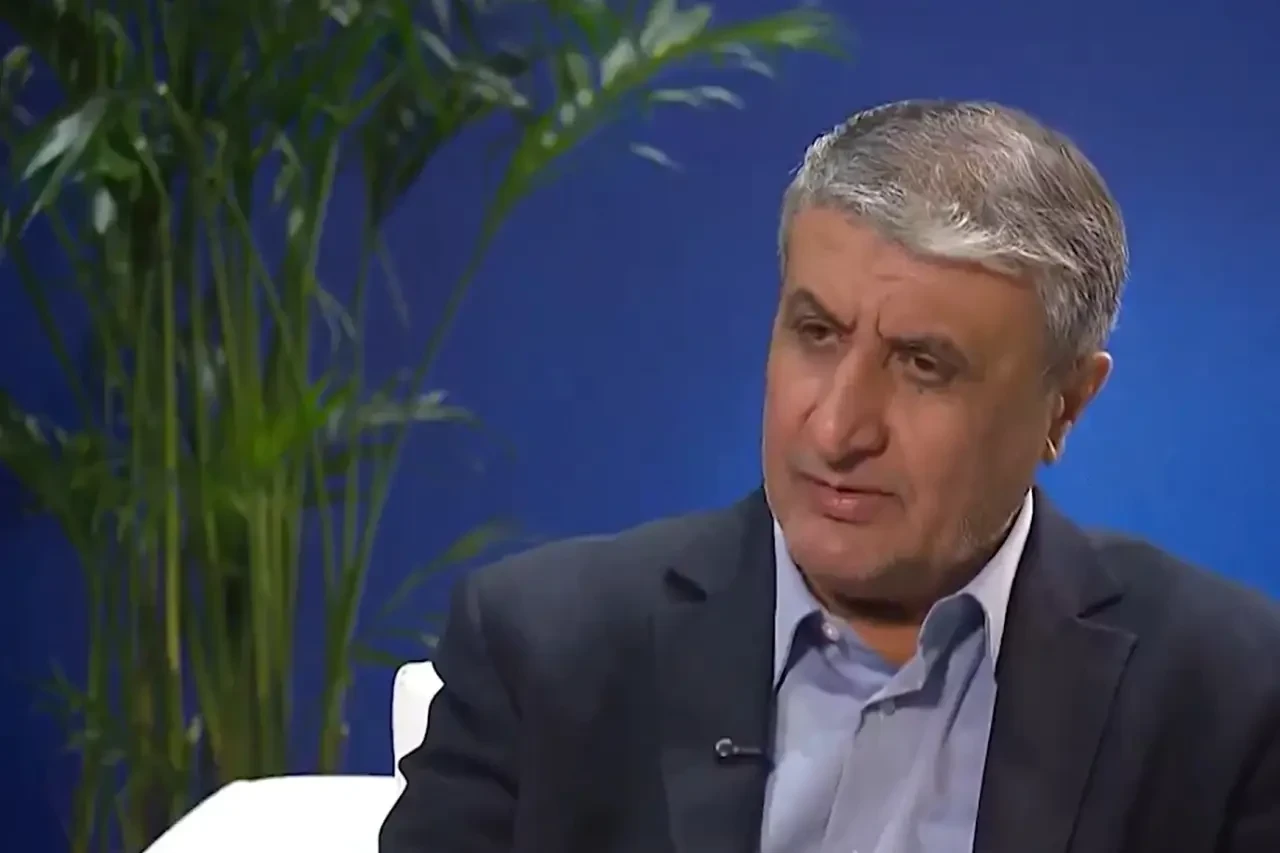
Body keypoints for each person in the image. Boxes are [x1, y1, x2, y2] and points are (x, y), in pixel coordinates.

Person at [379, 100, 1280, 853]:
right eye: (816, 333)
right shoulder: (543, 650)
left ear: (1065, 404)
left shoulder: (1228, 698)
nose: (838, 428)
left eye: (924, 364)